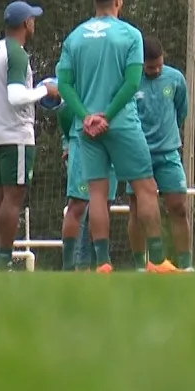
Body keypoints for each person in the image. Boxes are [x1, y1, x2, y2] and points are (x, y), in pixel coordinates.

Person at [56, 0, 176, 273]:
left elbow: (64, 85)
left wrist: (86, 116)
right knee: (146, 188)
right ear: (119, 0)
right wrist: (107, 116)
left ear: (94, 1)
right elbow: (132, 81)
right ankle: (158, 261)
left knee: (96, 194)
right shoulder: (130, 35)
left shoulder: (74, 38)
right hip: (121, 124)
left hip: (87, 130)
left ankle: (103, 262)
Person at [0, 0, 56, 271]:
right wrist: (45, 90)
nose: (34, 23)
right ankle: (3, 260)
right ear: (26, 24)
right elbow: (15, 96)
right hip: (17, 136)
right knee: (13, 198)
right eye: (32, 19)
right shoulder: (17, 53)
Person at [123, 37, 192, 271]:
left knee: (178, 207)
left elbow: (181, 111)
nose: (156, 69)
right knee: (137, 211)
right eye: (151, 67)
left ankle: (185, 265)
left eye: (159, 65)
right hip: (138, 155)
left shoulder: (175, 79)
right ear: (141, 64)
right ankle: (141, 266)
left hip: (168, 154)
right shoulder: (131, 81)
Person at [60, 104, 117, 270]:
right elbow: (65, 109)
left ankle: (100, 265)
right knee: (77, 204)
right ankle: (68, 267)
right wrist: (68, 140)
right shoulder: (82, 81)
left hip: (111, 142)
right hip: (82, 141)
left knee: (103, 205)